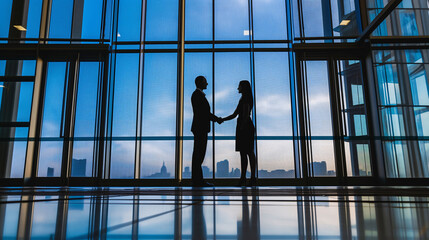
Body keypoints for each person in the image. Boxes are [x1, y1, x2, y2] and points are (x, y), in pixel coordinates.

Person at [220, 80, 257, 186]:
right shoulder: (245, 98)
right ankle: (249, 178)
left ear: (243, 87)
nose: (237, 88)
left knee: (246, 152)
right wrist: (222, 119)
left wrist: (241, 126)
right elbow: (235, 114)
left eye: (239, 86)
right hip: (245, 126)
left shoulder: (245, 98)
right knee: (248, 152)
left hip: (243, 127)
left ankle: (245, 178)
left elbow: (242, 114)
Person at [191, 76, 221, 187]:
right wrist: (217, 119)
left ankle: (197, 180)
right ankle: (198, 181)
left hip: (200, 128)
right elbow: (204, 113)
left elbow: (203, 113)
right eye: (205, 82)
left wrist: (216, 118)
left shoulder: (198, 95)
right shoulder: (197, 95)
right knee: (199, 155)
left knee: (198, 155)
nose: (207, 84)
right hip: (200, 128)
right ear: (200, 83)